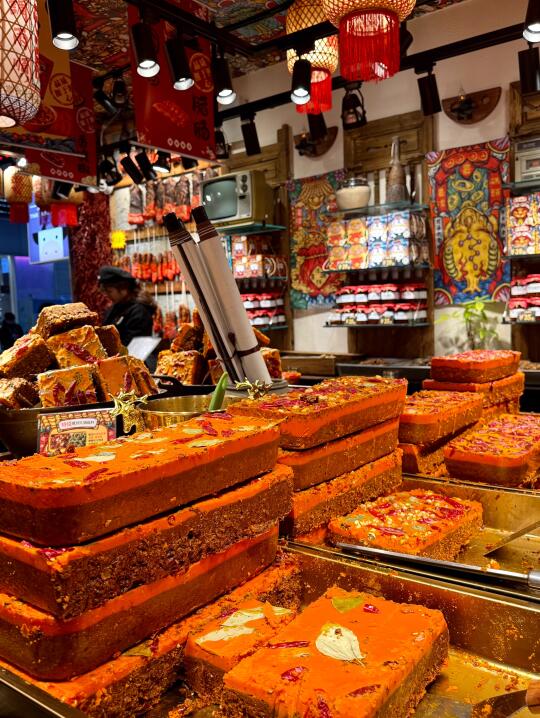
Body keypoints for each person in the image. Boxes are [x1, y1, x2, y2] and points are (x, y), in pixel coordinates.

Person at [98, 266, 155, 346]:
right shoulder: (115, 307)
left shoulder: (139, 311)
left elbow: (133, 345)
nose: (106, 295)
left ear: (123, 289)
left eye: (109, 291)